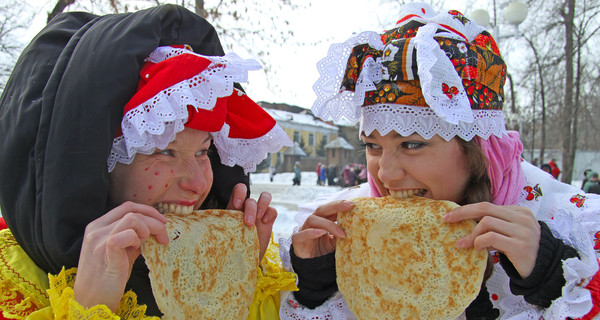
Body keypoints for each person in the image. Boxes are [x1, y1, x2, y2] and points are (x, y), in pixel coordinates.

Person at [278, 3, 600, 319]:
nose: (386, 174)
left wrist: (554, 274)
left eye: (412, 143)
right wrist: (313, 284)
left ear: (479, 149)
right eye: (373, 146)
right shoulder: (341, 230)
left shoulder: (570, 224)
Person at [0, 6, 297, 319]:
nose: (197, 184)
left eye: (203, 151)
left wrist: (236, 283)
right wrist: (88, 310)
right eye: (165, 151)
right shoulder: (13, 287)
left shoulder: (246, 266)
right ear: (93, 165)